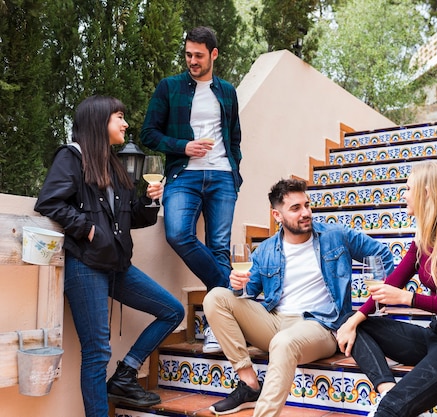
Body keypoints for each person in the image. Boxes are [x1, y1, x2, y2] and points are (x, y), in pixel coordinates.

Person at [34, 95, 185, 417]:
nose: (125, 123)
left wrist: (149, 199)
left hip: (118, 266)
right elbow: (49, 202)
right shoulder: (71, 157)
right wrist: (88, 230)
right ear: (99, 120)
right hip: (85, 265)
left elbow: (134, 218)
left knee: (172, 310)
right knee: (97, 352)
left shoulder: (114, 167)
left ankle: (126, 373)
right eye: (119, 116)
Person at [202, 178, 395, 416]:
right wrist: (237, 285)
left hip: (320, 325)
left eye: (306, 205)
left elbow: (382, 255)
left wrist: (383, 296)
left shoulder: (336, 235)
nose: (305, 213)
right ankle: (249, 383)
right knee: (215, 297)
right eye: (295, 208)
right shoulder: (265, 250)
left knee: (284, 343)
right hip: (274, 322)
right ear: (277, 215)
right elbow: (248, 292)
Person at [336, 160, 437, 417]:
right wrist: (353, 320)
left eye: (409, 188)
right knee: (352, 322)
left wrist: (408, 299)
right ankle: (387, 387)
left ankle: (391, 402)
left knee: (390, 411)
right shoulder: (424, 239)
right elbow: (392, 282)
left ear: (427, 192)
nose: (404, 195)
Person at [141, 25, 242, 353]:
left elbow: (235, 137)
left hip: (222, 177)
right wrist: (184, 146)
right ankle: (228, 292)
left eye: (199, 55)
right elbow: (149, 134)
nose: (192, 61)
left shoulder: (227, 91)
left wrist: (234, 169)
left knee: (219, 248)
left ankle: (218, 326)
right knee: (178, 233)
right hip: (183, 175)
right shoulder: (170, 87)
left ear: (213, 54)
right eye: (188, 54)